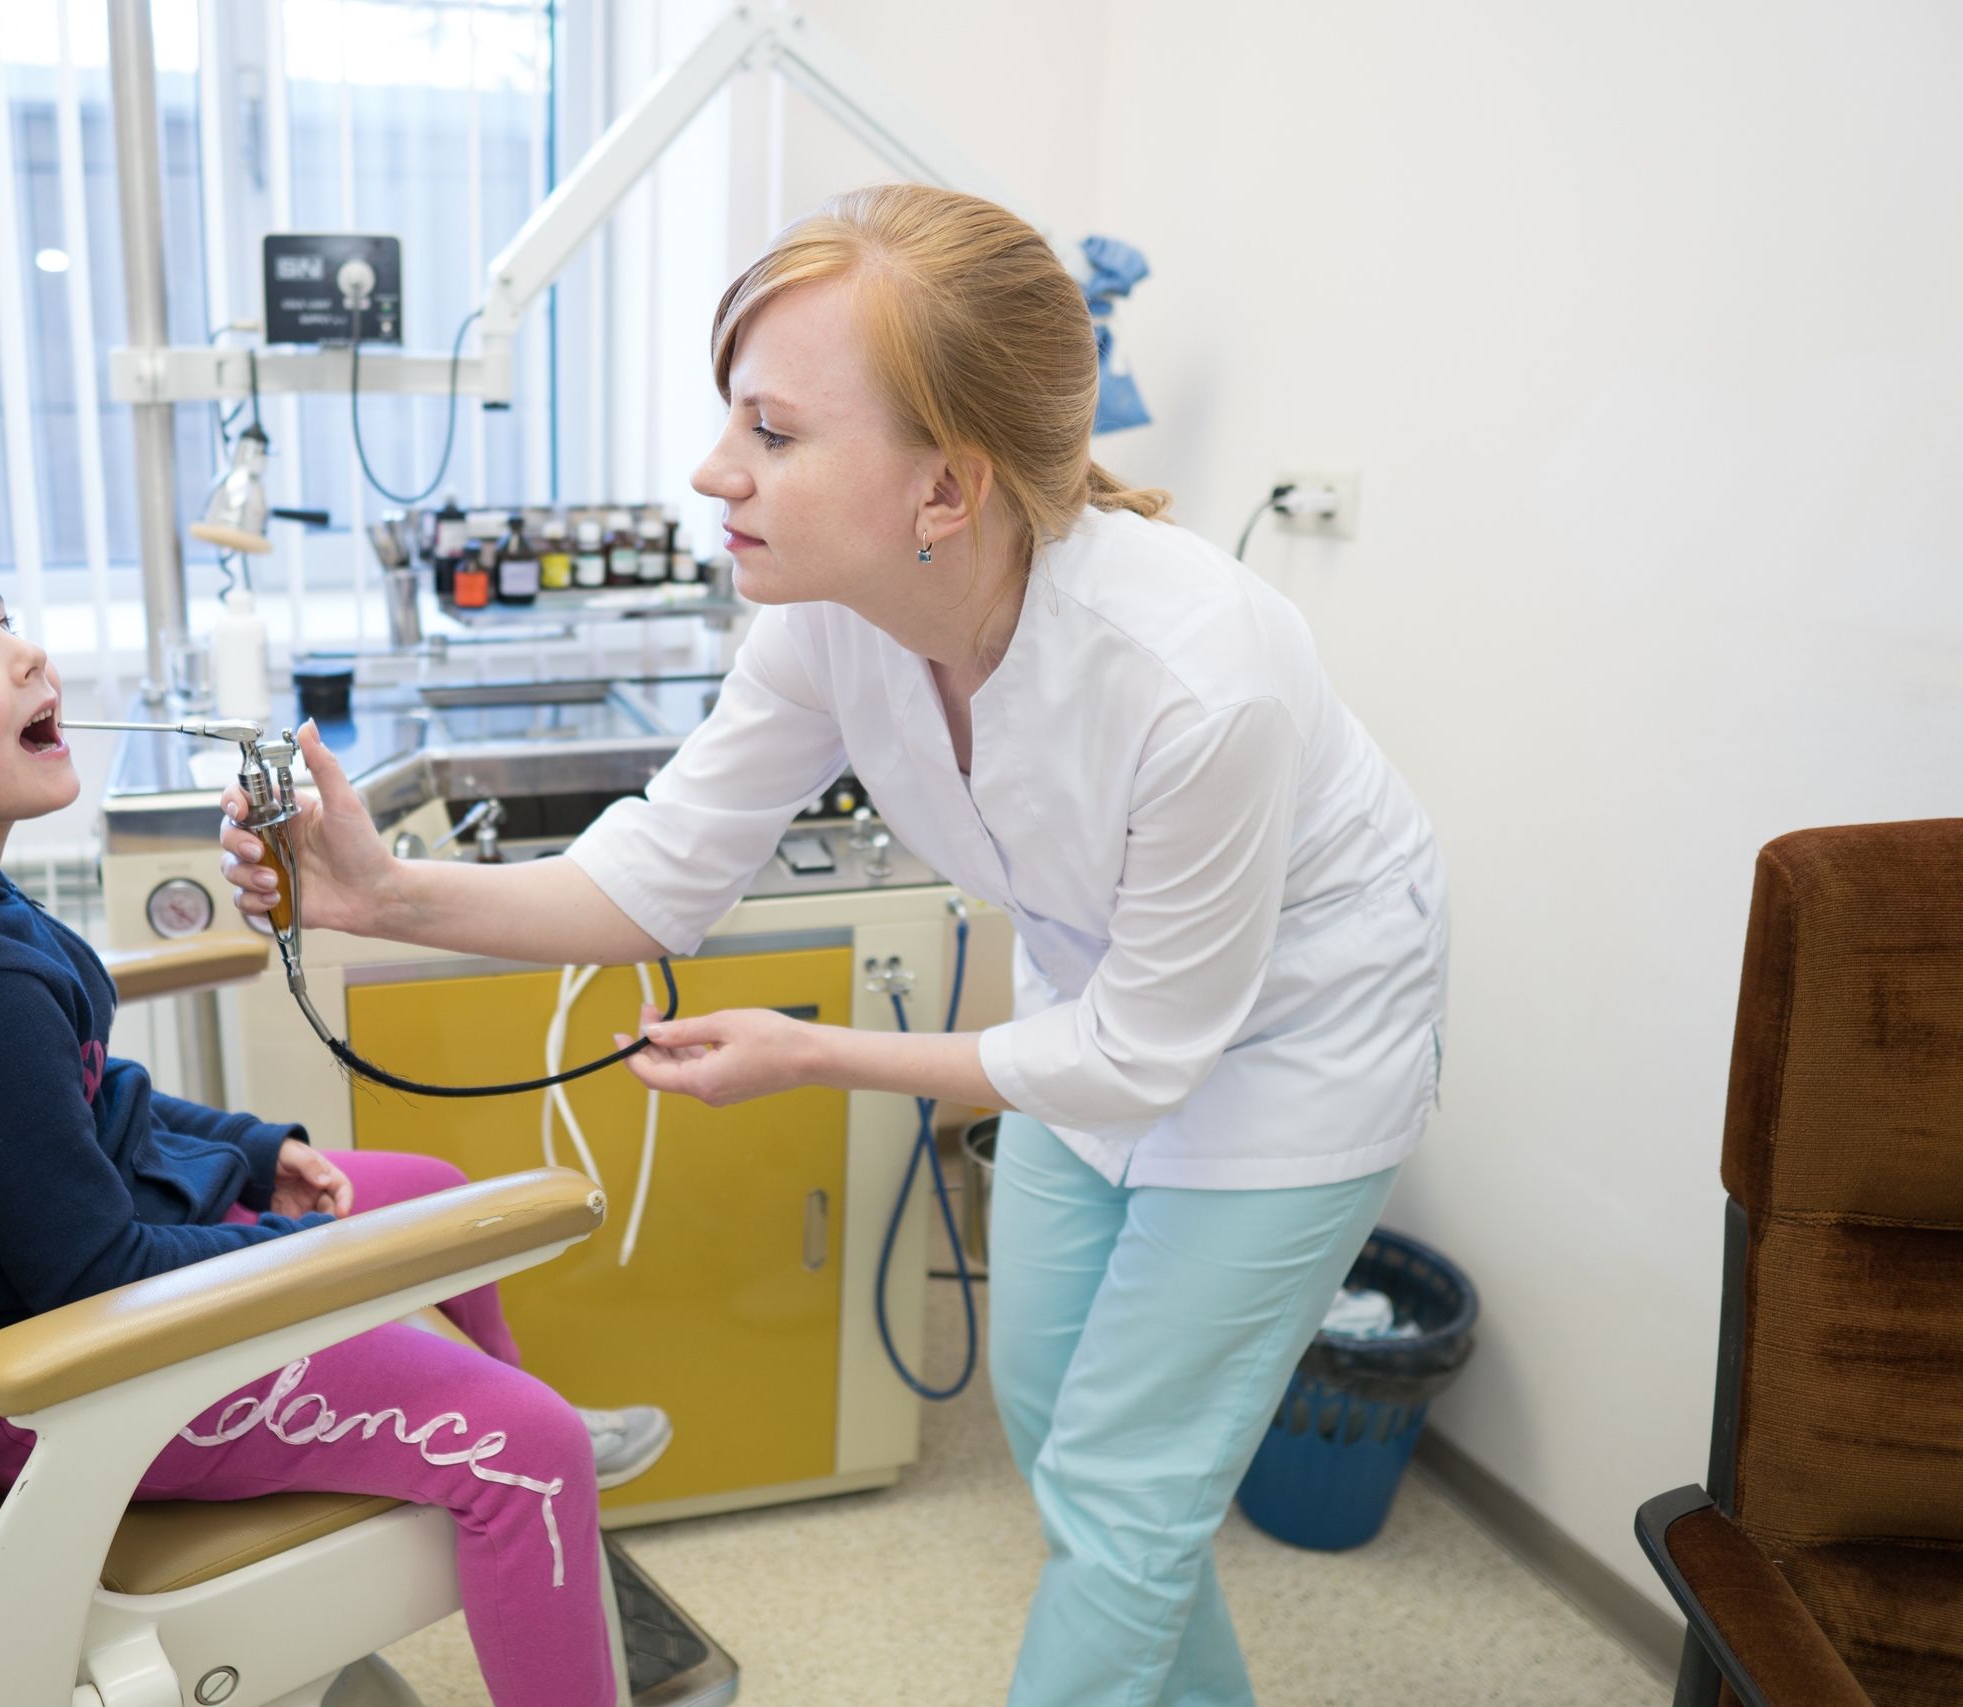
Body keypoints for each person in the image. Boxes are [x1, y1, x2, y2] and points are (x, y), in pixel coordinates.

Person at [222, 184, 1449, 1706]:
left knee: (1123, 1494)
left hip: (1292, 1049)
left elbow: (1146, 1054)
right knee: (1068, 1437)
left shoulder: (1198, 678)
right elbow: (654, 877)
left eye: (775, 432)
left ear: (946, 489)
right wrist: (383, 895)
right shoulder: (828, 620)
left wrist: (812, 1054)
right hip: (1091, 1016)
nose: (713, 468)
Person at [0, 511, 667, 1707]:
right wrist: (308, 1254)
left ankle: (522, 1401)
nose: (24, 653)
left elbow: (89, 1100)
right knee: (528, 1451)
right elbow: (93, 1275)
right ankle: (540, 1450)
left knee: (433, 1192)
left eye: (1, 619)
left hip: (82, 1294)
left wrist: (253, 1154)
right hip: (90, 1384)